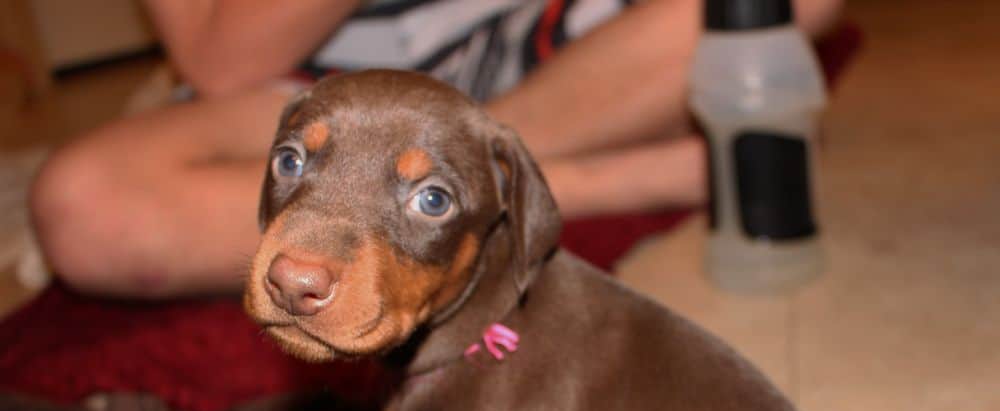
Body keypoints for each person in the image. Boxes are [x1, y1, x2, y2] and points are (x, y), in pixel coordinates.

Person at [28, 0, 843, 299]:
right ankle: (578, 177)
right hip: (301, 86)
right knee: (85, 207)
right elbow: (216, 61)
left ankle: (486, 157)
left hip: (521, 42)